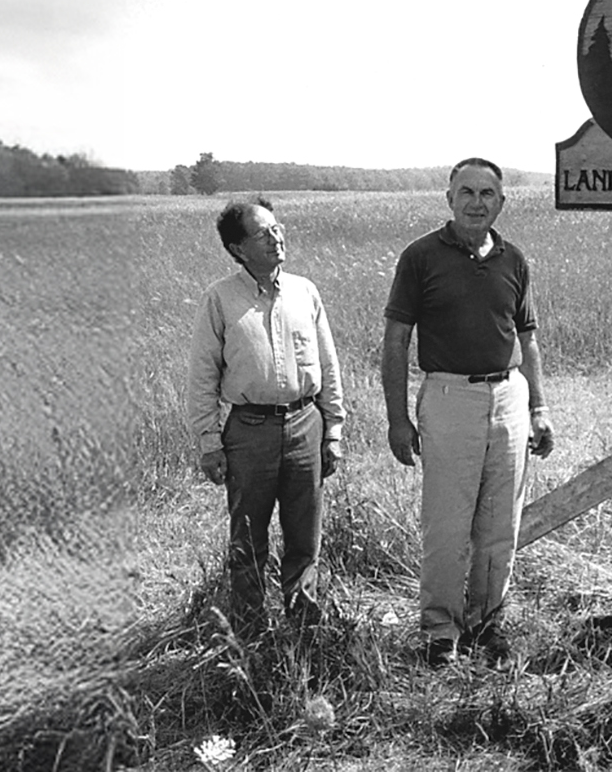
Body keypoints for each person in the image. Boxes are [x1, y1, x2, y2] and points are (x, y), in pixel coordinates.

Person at [382, 157, 556, 666]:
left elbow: (528, 340)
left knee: (501, 523)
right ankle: (440, 631)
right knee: (447, 525)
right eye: (467, 192)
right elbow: (396, 341)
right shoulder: (421, 257)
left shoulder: (513, 259)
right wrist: (398, 418)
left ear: (501, 202)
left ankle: (487, 624)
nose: (476, 202)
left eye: (487, 194)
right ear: (449, 198)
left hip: (509, 399)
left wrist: (540, 407)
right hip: (449, 397)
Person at [184, 198, 348, 634]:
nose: (277, 237)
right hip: (248, 431)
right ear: (238, 249)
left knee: (304, 537)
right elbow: (202, 376)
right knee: (248, 539)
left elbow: (327, 365)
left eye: (277, 228)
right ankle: (251, 636)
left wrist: (333, 429)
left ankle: (306, 631)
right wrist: (209, 442)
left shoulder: (304, 291)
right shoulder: (220, 299)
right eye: (263, 233)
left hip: (304, 425)